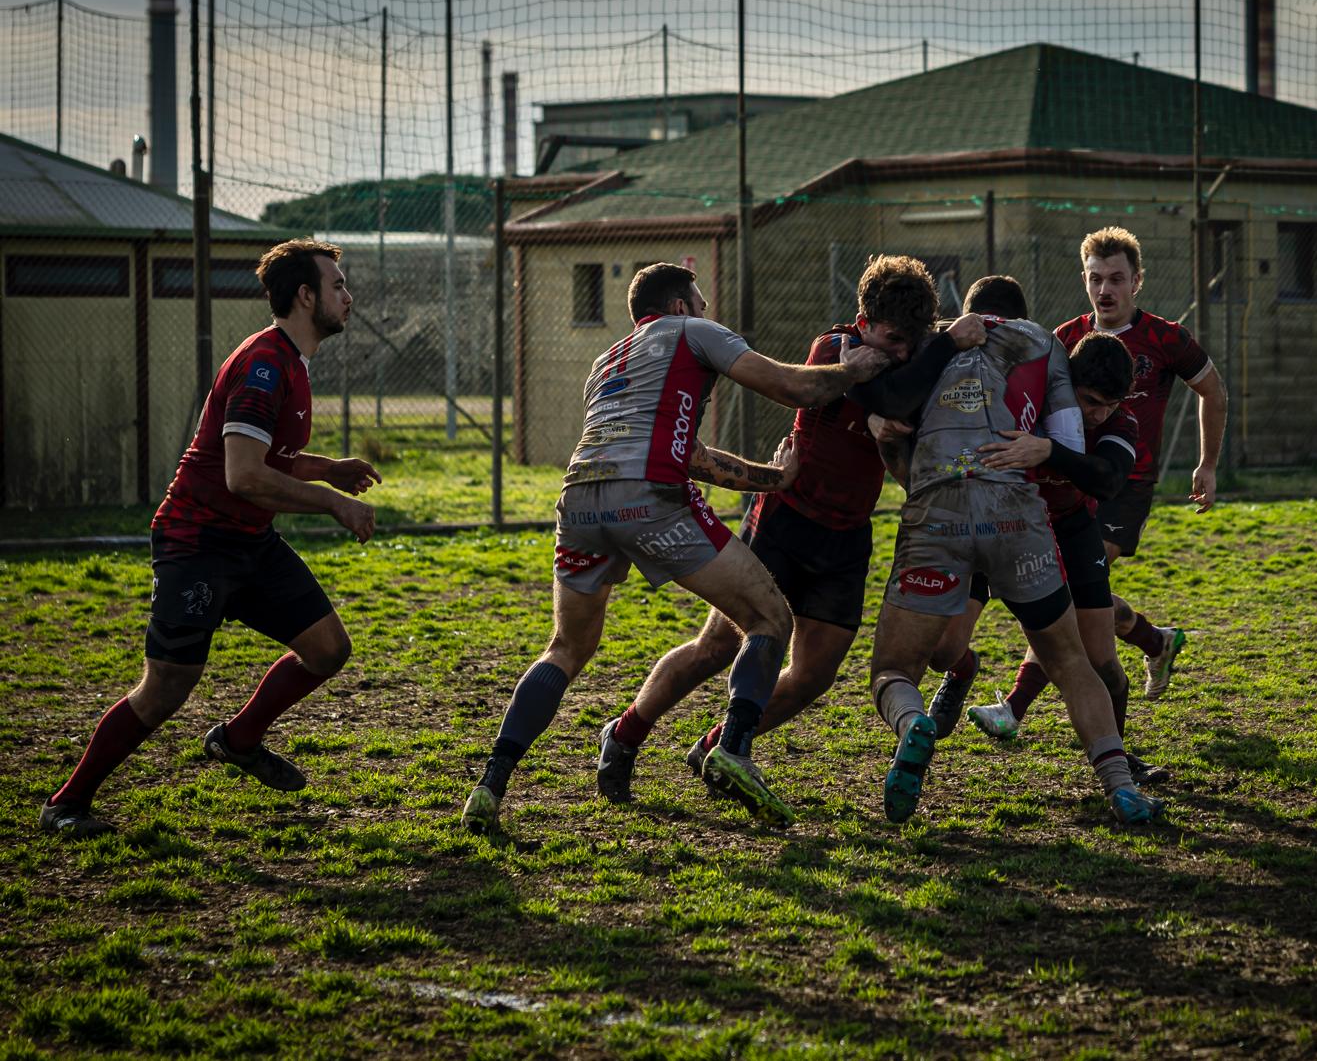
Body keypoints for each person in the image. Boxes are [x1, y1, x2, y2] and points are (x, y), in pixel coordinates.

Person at [459, 263, 892, 833]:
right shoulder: (694, 332)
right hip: (650, 498)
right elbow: (796, 388)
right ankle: (733, 750)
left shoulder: (608, 361)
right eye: (701, 301)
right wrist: (851, 369)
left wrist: (775, 478)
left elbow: (693, 456)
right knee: (768, 618)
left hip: (579, 499)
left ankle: (490, 784)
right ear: (681, 306)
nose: (708, 310)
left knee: (565, 648)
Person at [40, 239, 381, 836]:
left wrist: (328, 469)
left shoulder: (290, 362)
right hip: (196, 544)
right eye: (338, 285)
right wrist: (333, 503)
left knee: (328, 650)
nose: (348, 297)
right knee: (164, 690)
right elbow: (243, 475)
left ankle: (239, 738)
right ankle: (66, 803)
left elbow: (266, 458)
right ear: (306, 296)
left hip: (249, 541)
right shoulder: (264, 365)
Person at [588, 256, 957, 804]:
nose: (899, 353)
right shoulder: (833, 349)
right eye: (891, 339)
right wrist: (889, 400)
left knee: (813, 676)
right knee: (716, 646)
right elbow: (858, 390)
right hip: (786, 519)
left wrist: (891, 441)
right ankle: (624, 733)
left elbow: (905, 467)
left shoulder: (910, 372)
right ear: (863, 321)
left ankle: (717, 747)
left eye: (911, 342)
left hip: (847, 536)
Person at [867, 274, 1163, 827]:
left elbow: (891, 412)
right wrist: (1044, 447)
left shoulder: (932, 344)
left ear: (969, 315)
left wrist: (883, 428)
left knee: (893, 667)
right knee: (1070, 661)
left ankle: (912, 723)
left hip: (947, 517)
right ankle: (1120, 787)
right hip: (1019, 520)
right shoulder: (1043, 345)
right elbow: (1070, 440)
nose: (1098, 412)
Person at [921, 330, 1165, 782]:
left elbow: (1108, 480)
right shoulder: (1027, 398)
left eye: (1110, 404)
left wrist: (1049, 451)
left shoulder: (1119, 423)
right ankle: (962, 669)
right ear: (1066, 381)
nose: (1098, 414)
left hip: (1070, 529)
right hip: (999, 526)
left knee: (1103, 662)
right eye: (1090, 401)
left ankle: (1118, 760)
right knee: (942, 649)